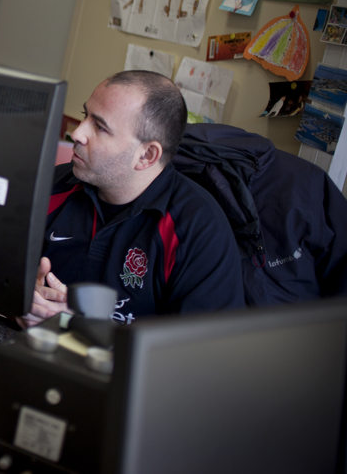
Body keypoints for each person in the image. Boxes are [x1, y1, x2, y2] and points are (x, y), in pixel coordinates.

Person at [21, 70, 244, 327]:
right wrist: (19, 301)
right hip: (27, 351)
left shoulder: (200, 231)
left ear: (147, 155)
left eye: (100, 127)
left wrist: (82, 331)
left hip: (119, 366)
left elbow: (202, 356)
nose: (78, 133)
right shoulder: (52, 185)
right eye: (85, 116)